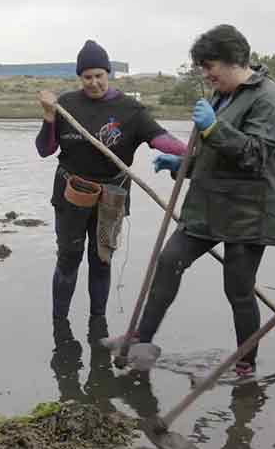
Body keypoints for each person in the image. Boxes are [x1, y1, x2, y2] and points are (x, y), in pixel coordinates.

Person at [109, 24, 275, 380]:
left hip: (251, 211)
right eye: (202, 66)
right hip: (211, 203)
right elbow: (216, 154)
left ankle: (245, 365)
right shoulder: (221, 96)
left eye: (210, 66)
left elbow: (254, 155)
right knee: (169, 260)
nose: (205, 73)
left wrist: (213, 129)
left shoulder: (270, 99)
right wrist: (185, 163)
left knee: (238, 289)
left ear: (234, 61)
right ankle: (141, 340)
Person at [36, 40, 186, 320]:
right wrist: (48, 117)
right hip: (71, 194)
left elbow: (161, 140)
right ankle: (59, 323)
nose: (93, 83)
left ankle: (98, 322)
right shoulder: (66, 104)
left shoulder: (131, 110)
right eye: (87, 77)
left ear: (109, 74)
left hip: (112, 196)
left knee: (101, 260)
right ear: (80, 77)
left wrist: (191, 152)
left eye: (99, 76)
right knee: (68, 258)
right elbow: (45, 150)